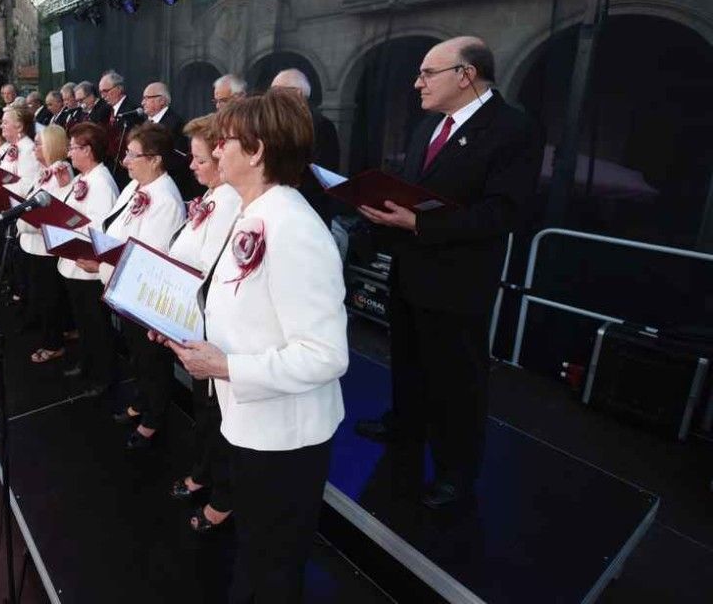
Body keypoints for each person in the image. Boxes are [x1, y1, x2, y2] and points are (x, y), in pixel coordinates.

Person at [157, 89, 349, 601]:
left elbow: (326, 354)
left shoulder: (294, 228)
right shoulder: (257, 213)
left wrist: (227, 366)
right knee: (257, 555)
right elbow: (241, 312)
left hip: (286, 438)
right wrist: (182, 328)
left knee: (271, 566)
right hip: (252, 424)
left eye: (225, 143)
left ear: (258, 150)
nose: (215, 153)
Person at [355, 36, 544, 509]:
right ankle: (404, 425)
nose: (416, 83)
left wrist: (419, 222)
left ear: (466, 75)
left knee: (457, 383)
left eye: (427, 73)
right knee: (408, 361)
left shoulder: (512, 129)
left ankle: (456, 474)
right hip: (410, 271)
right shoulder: (428, 129)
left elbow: (504, 212)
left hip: (458, 283)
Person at [82, 123, 184, 450]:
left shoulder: (166, 198)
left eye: (132, 154)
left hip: (143, 294)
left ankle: (154, 418)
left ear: (155, 160)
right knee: (137, 356)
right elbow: (110, 226)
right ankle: (142, 401)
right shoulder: (133, 187)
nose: (125, 160)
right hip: (122, 287)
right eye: (126, 153)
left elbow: (148, 256)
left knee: (151, 359)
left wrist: (102, 264)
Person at [165, 115, 243, 534]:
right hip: (194, 322)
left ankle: (224, 496)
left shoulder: (231, 201)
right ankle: (205, 472)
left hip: (215, 330)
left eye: (199, 158)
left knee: (218, 414)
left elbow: (209, 270)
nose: (192, 166)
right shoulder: (214, 195)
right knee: (204, 410)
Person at [56, 122, 120, 392]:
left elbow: (100, 229)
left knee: (97, 325)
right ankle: (87, 362)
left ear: (88, 150)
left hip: (89, 267)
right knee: (83, 321)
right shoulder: (82, 178)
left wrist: (70, 226)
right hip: (74, 263)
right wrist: (65, 186)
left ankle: (103, 376)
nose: (69, 153)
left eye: (73, 148)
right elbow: (70, 209)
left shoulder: (103, 182)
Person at [18, 126, 75, 364]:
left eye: (39, 143)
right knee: (43, 295)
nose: (35, 148)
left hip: (46, 247)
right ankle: (54, 332)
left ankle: (53, 344)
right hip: (33, 244)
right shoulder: (44, 171)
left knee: (49, 297)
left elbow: (57, 213)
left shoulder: (62, 172)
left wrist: (24, 220)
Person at [271, 69, 340, 226]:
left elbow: (319, 175)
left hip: (307, 214)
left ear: (298, 93)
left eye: (276, 91)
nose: (271, 98)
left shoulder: (321, 126)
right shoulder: (276, 123)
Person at [142, 81, 198, 199]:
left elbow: (178, 159)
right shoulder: (146, 123)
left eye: (147, 98)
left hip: (169, 187)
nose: (143, 103)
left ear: (161, 100)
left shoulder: (175, 124)